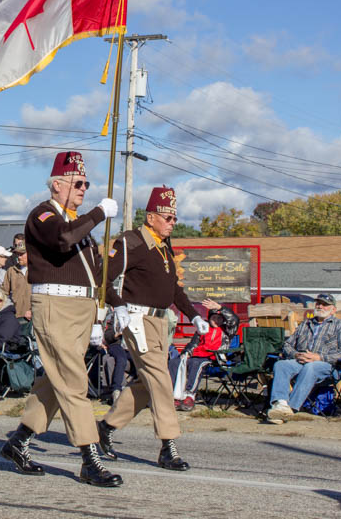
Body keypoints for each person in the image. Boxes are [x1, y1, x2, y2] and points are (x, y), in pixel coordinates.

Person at [0, 151, 123, 487]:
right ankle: (89, 457)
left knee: (55, 380)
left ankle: (19, 441)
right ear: (57, 185)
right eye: (77, 183)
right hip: (54, 304)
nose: (84, 188)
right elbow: (61, 239)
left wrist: (117, 304)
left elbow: (96, 271)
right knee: (73, 380)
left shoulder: (77, 221)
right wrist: (99, 213)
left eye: (86, 183)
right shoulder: (43, 215)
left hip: (81, 309)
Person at [98, 186, 208, 472]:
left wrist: (194, 315)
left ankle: (107, 427)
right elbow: (104, 277)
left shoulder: (163, 246)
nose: (172, 222)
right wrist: (117, 305)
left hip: (161, 321)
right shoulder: (130, 242)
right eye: (167, 217)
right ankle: (168, 445)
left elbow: (174, 290)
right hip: (137, 320)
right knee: (161, 380)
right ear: (150, 217)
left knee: (147, 384)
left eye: (174, 217)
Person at [266, 293, 341, 423]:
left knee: (311, 367)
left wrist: (319, 357)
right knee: (281, 365)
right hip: (301, 361)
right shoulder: (305, 324)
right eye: (318, 304)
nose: (321, 306)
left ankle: (290, 409)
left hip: (327, 366)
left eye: (325, 305)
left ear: (333, 309)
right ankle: (280, 405)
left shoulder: (340, 326)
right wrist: (295, 354)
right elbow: (287, 344)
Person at [168, 299, 232, 412]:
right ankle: (174, 394)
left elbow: (234, 319)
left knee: (196, 363)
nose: (216, 320)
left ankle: (189, 395)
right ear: (209, 318)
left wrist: (220, 308)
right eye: (214, 318)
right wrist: (185, 353)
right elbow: (193, 344)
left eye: (219, 318)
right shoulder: (204, 328)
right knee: (175, 362)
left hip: (213, 357)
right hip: (198, 354)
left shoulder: (226, 330)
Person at [1, 240, 30, 322]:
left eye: (22, 254)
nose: (19, 257)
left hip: (35, 317)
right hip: (15, 317)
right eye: (17, 254)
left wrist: (33, 310)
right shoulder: (11, 271)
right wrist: (9, 310)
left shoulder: (38, 270)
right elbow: (3, 293)